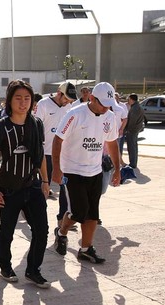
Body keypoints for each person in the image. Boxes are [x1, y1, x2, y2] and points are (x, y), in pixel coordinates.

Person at [0, 79, 51, 288]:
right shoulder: (0, 128)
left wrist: (44, 180)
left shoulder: (37, 124)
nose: (23, 103)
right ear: (9, 101)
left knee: (41, 230)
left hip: (32, 186)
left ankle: (33, 270)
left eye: (27, 98)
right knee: (6, 232)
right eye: (18, 98)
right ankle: (5, 267)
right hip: (8, 189)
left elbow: (41, 155)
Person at [52, 82, 121, 264]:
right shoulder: (74, 115)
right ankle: (61, 232)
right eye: (102, 103)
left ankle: (86, 248)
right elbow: (58, 140)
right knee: (78, 212)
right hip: (73, 171)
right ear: (91, 98)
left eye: (109, 104)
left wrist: (117, 169)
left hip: (95, 171)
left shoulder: (110, 117)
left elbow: (112, 143)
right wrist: (57, 169)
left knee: (92, 214)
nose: (106, 108)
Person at [34, 81, 77, 204]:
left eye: (71, 100)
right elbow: (36, 127)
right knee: (43, 186)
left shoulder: (69, 108)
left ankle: (62, 216)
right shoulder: (43, 104)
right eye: (67, 98)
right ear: (59, 93)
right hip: (45, 153)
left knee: (65, 185)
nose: (68, 102)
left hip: (62, 154)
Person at [124, 93, 146, 169]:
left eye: (128, 99)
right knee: (134, 146)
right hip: (134, 129)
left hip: (132, 130)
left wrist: (126, 129)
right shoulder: (137, 107)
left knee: (132, 147)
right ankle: (133, 162)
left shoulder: (135, 108)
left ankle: (132, 163)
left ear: (131, 99)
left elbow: (132, 121)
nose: (128, 101)